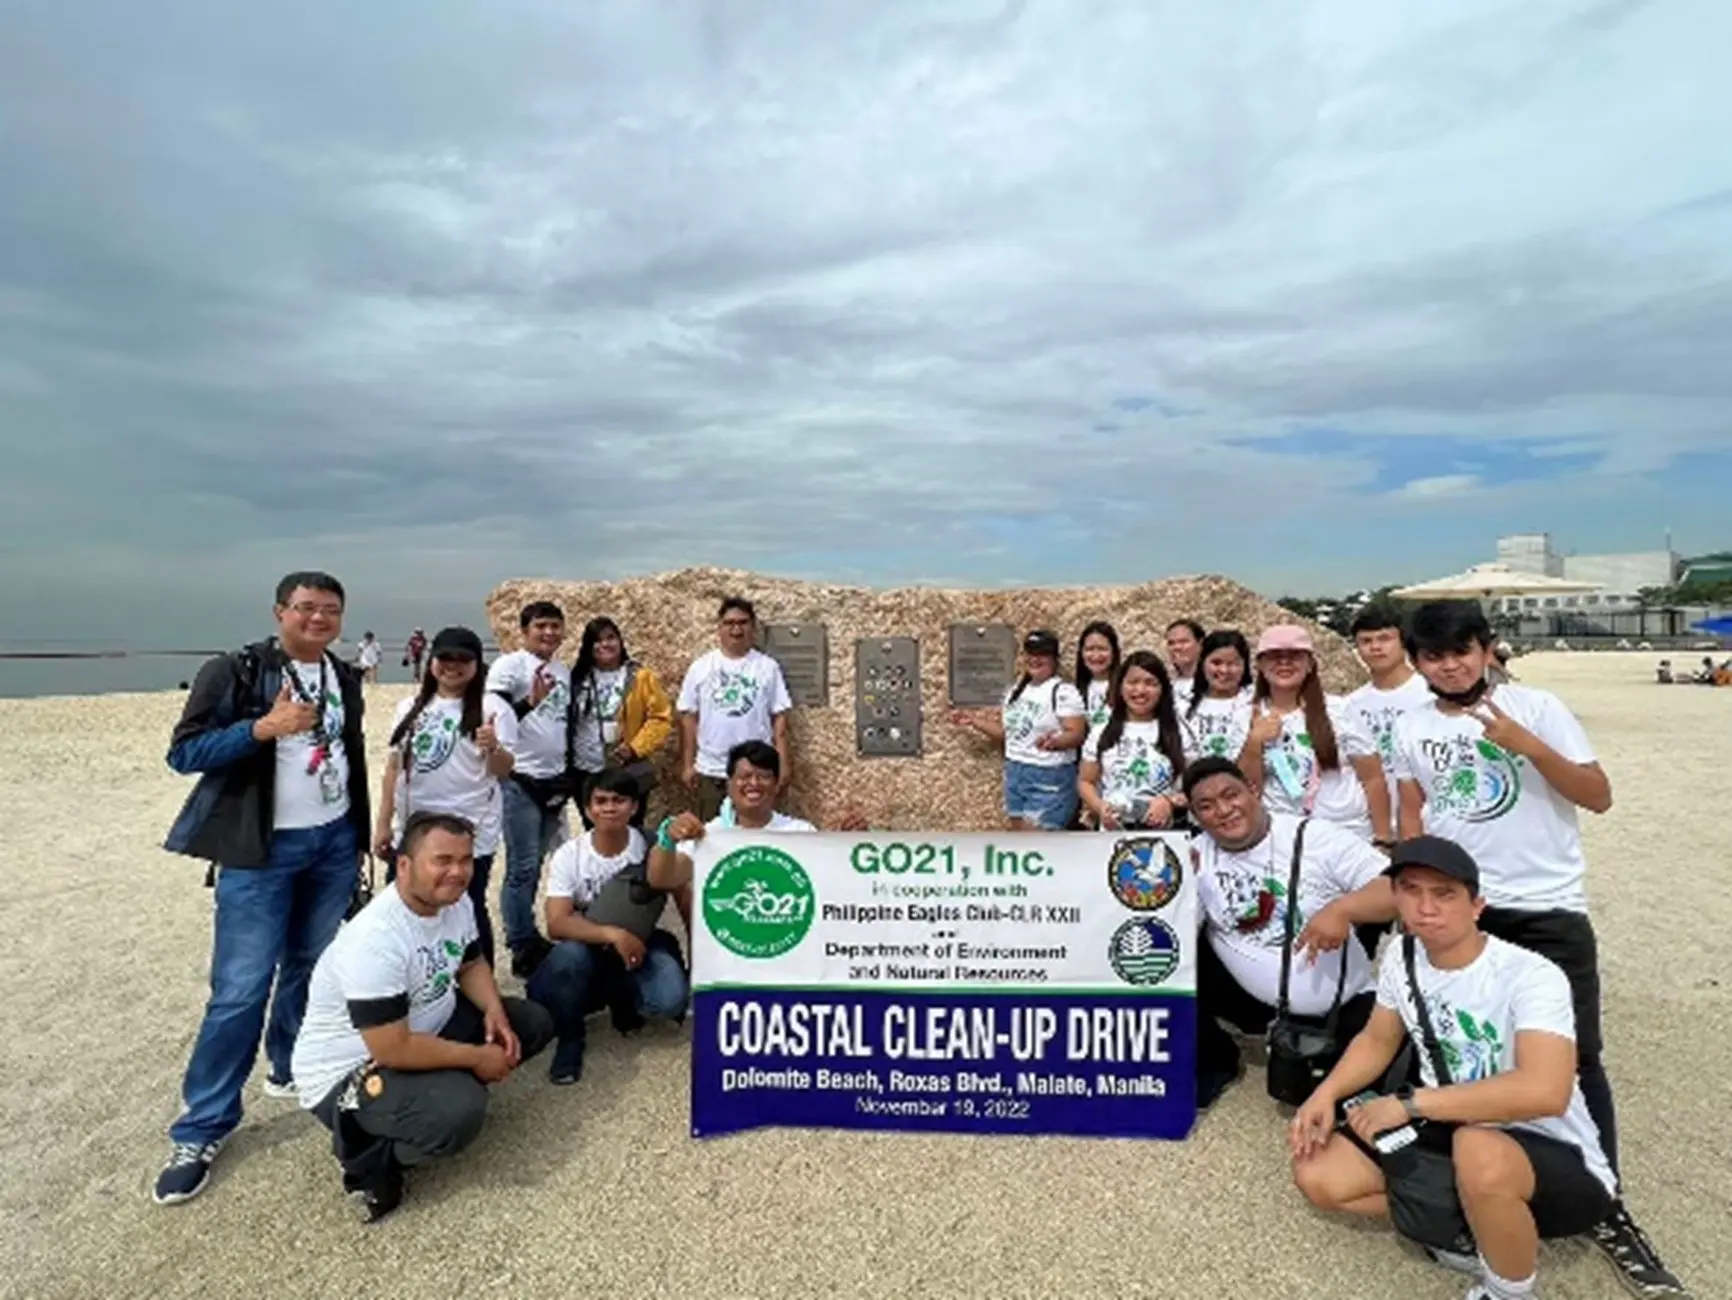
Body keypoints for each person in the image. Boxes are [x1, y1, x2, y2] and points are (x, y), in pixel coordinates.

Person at [1390, 600, 1686, 1295]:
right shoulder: (1411, 725)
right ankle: (1484, 1177)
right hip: (1462, 911)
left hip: (1546, 906)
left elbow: (1599, 796)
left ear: (1486, 648)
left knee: (1578, 1058)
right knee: (1465, 1045)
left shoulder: (1540, 706)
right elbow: (1414, 814)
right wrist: (1410, 893)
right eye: (1433, 656)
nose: (1449, 665)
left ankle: (1605, 1201)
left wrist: (1532, 748)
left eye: (1461, 650)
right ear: (1418, 663)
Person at [1289, 836, 1619, 1300]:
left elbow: (1546, 1092)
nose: (1426, 908)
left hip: (1552, 1151)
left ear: (1477, 905)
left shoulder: (1531, 975)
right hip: (1455, 1121)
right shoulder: (1403, 957)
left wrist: (1409, 1103)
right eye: (1411, 890)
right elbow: (1377, 1039)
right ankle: (1476, 1226)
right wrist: (1324, 1095)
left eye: (1444, 894)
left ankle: (1508, 1292)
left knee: (1477, 1148)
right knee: (1320, 1174)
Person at [154, 570, 371, 1205]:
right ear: (280, 611)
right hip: (259, 851)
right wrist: (260, 729)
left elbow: (348, 753)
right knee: (240, 989)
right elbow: (184, 753)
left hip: (330, 841)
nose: (318, 619)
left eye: (330, 610)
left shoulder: (344, 676)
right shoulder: (237, 670)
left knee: (308, 963)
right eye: (306, 608)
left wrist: (358, 834)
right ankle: (201, 1127)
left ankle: (288, 1064)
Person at [290, 811, 553, 1222]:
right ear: (404, 865)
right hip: (352, 1067)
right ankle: (367, 1159)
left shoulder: (454, 901)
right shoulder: (375, 940)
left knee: (530, 1024)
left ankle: (435, 1087)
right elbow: (392, 1047)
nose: (458, 872)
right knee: (458, 1113)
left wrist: (495, 1011)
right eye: (442, 860)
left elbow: (470, 963)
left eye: (465, 860)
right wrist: (475, 1059)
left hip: (425, 1023)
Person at [1185, 757, 1397, 1108]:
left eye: (1231, 795)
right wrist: (1176, 886)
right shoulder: (1195, 853)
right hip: (1246, 1001)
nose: (1223, 811)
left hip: (1339, 1003)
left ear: (1253, 790)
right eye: (1206, 806)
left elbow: (1399, 888)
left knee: (1357, 1090)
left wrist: (1343, 909)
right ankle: (1214, 1060)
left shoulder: (1314, 837)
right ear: (1195, 816)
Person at [527, 768, 688, 1085]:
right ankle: (571, 1037)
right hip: (588, 945)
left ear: (634, 807)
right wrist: (614, 934)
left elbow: (685, 897)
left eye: (619, 800)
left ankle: (621, 992)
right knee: (567, 961)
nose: (610, 808)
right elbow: (557, 924)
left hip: (642, 938)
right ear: (587, 809)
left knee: (669, 999)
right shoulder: (569, 856)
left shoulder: (653, 846)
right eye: (601, 801)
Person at [373, 626, 516, 968]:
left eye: (463, 659)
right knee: (406, 905)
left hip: (469, 829)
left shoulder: (492, 707)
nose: (453, 666)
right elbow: (394, 767)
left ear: (477, 664)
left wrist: (492, 745)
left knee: (467, 908)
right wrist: (383, 824)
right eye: (445, 658)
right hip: (415, 827)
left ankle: (479, 987)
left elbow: (505, 769)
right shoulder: (411, 706)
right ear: (431, 661)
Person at [1239, 625, 1393, 846]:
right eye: (1274, 656)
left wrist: (1383, 838)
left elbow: (1372, 777)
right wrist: (1254, 742)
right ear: (1260, 665)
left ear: (1310, 664)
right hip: (1282, 837)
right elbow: (1247, 789)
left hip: (1346, 834)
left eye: (1294, 656)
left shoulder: (1341, 710)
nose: (1284, 663)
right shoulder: (1245, 714)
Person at [486, 600, 575, 979]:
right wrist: (529, 702)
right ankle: (520, 943)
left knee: (538, 862)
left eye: (555, 626)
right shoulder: (509, 666)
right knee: (521, 867)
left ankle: (529, 933)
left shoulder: (562, 671)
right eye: (541, 626)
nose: (549, 633)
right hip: (520, 779)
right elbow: (495, 717)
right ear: (524, 631)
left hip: (553, 779)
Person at [647, 740, 867, 894]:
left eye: (763, 777)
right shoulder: (709, 835)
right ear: (729, 784)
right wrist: (668, 838)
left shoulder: (800, 832)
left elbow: (835, 881)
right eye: (745, 777)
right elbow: (662, 879)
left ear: (776, 784)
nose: (753, 784)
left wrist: (850, 845)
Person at [950, 628, 1087, 831]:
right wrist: (974, 721)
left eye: (1042, 654)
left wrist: (1056, 741)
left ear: (1054, 659)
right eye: (1030, 654)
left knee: (1036, 846)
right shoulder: (1015, 692)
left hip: (1048, 775)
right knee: (1021, 843)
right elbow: (1009, 735)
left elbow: (1076, 733)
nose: (1035, 659)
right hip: (1016, 772)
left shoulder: (1063, 691)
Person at [677, 597, 794, 822]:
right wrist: (688, 764)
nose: (736, 629)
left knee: (755, 831)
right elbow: (689, 718)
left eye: (742, 623)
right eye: (729, 623)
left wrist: (783, 763)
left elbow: (779, 719)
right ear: (719, 628)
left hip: (755, 771)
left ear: (753, 627)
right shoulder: (701, 667)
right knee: (712, 837)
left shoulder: (768, 668)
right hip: (712, 770)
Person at [568, 616, 674, 832]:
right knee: (593, 830)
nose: (605, 644)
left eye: (610, 638)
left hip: (625, 768)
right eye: (597, 640)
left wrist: (634, 748)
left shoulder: (640, 677)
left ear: (620, 641)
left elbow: (661, 718)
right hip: (585, 769)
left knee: (629, 829)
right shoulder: (577, 678)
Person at [1077, 650, 1188, 830]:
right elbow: (1086, 781)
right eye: (1132, 682)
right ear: (1120, 686)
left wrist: (1170, 802)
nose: (1140, 690)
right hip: (1112, 834)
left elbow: (1197, 785)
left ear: (1163, 689)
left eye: (1150, 683)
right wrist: (1100, 808)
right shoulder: (1102, 731)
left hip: (1163, 835)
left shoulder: (1178, 731)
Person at [1182, 629, 1255, 764]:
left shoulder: (1256, 702)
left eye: (1233, 664)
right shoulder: (1182, 702)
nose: (1224, 670)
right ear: (1202, 662)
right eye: (1216, 663)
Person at [1073, 621, 1121, 731]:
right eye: (1089, 649)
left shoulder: (1124, 687)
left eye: (1102, 649)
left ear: (1114, 652)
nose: (1096, 655)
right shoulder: (1076, 690)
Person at [1165, 618, 1206, 711]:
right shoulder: (1166, 688)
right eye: (1171, 643)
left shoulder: (1214, 686)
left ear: (1200, 643)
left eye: (1183, 642)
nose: (1177, 647)